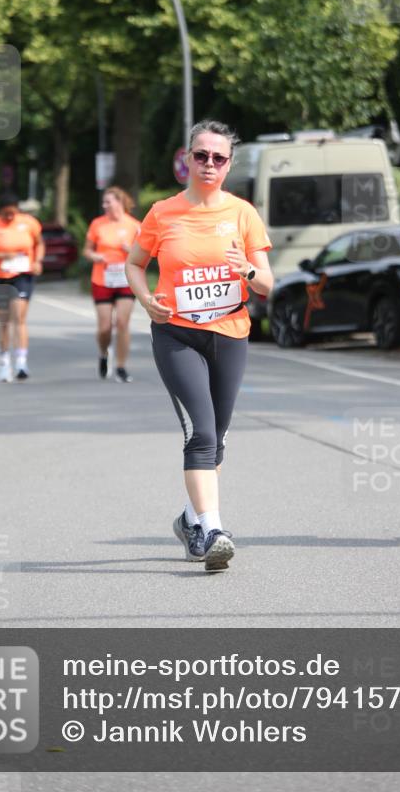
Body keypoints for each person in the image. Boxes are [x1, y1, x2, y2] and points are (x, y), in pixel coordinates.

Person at [126, 120, 273, 571]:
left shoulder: (243, 213)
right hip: (176, 334)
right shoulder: (163, 213)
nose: (209, 164)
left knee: (219, 439)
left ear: (229, 164)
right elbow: (135, 264)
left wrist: (246, 269)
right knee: (201, 434)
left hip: (229, 335)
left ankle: (191, 520)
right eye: (201, 155)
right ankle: (212, 529)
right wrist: (146, 298)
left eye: (219, 157)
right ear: (186, 159)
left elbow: (267, 283)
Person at [0, 193, 44, 383]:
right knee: (4, 320)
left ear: (18, 210)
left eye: (12, 214)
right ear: (0, 212)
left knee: (19, 317)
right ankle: (4, 361)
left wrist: (38, 260)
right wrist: (3, 255)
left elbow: (39, 243)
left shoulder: (29, 223)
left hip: (22, 276)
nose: (9, 217)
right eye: (5, 214)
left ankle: (21, 362)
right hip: (0, 278)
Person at [84, 186, 141, 383]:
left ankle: (121, 366)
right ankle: (103, 353)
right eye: (104, 202)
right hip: (103, 279)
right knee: (105, 327)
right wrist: (96, 256)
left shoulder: (134, 225)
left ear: (120, 202)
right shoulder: (97, 224)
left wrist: (131, 250)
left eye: (108, 202)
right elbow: (87, 251)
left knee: (123, 323)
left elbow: (145, 253)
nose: (104, 205)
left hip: (126, 279)